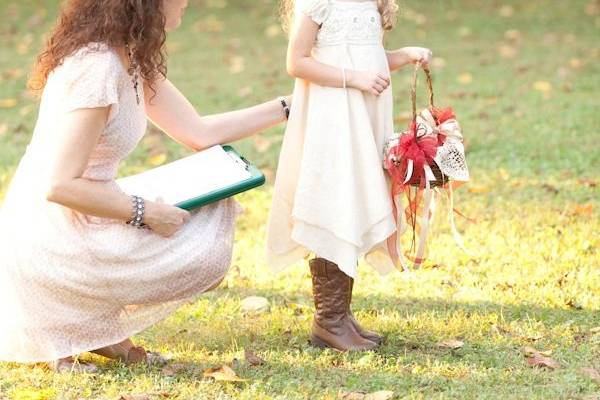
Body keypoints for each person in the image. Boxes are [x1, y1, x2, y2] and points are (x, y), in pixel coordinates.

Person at [0, 0, 291, 372]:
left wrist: (287, 106)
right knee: (196, 240)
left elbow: (199, 132)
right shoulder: (97, 67)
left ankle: (93, 328)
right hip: (50, 237)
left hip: (94, 210)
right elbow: (59, 185)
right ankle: (64, 319)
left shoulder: (129, 57)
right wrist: (147, 213)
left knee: (213, 208)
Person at [267, 0, 432, 351]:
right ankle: (328, 321)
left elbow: (366, 60)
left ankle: (339, 315)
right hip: (334, 116)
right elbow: (297, 62)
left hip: (363, 115)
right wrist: (354, 79)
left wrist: (402, 55)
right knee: (335, 199)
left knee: (354, 198)